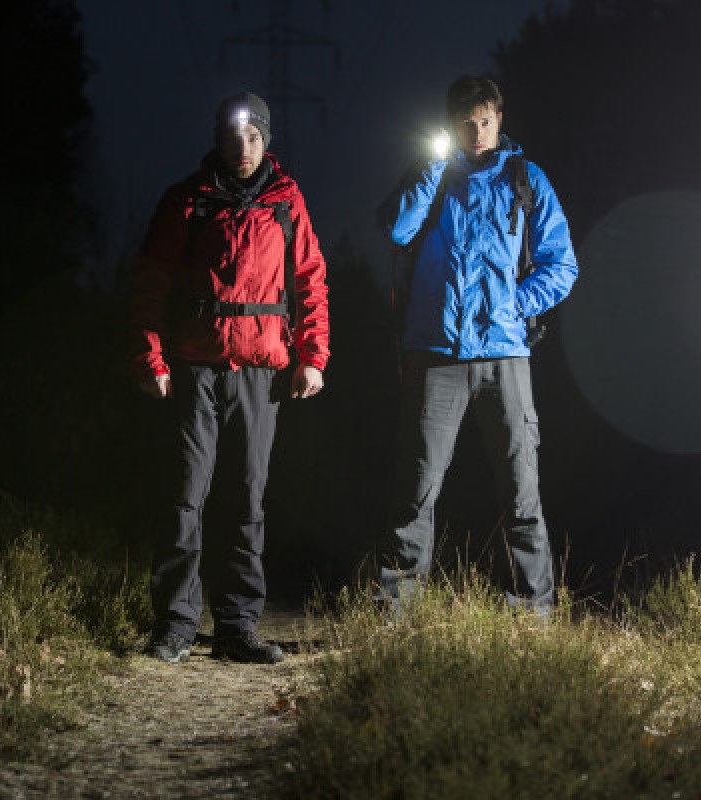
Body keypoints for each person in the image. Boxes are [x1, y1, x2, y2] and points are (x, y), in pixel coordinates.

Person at [128, 91, 330, 663]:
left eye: (253, 136)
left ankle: (237, 629)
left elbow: (310, 279)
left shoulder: (287, 201)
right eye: (232, 136)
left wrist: (313, 356)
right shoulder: (187, 201)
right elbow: (150, 284)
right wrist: (150, 360)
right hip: (195, 368)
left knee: (246, 499)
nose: (243, 147)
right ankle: (175, 625)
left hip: (262, 373)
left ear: (266, 140)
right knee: (185, 496)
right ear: (218, 139)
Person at [376, 75, 578, 616]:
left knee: (521, 490)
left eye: (486, 120)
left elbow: (562, 266)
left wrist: (514, 304)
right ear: (451, 125)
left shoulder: (526, 178)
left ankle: (533, 613)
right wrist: (430, 168)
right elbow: (397, 232)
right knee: (416, 488)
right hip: (436, 353)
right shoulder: (433, 174)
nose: (477, 132)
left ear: (499, 119)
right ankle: (396, 613)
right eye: (466, 123)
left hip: (505, 354)